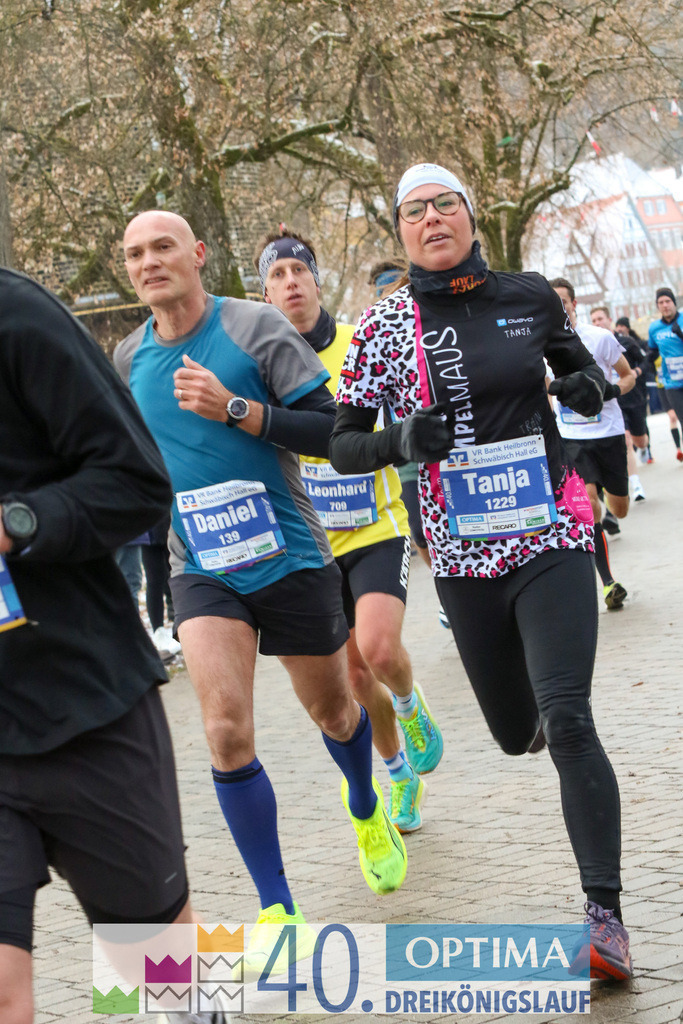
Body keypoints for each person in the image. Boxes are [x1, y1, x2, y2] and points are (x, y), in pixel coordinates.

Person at [329, 163, 631, 982]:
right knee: (514, 732)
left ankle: (604, 920)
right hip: (461, 558)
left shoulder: (528, 297)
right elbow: (342, 443)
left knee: (569, 719)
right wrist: (398, 444)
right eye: (414, 211)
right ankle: (524, 712)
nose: (432, 219)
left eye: (445, 205)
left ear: (470, 215)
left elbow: (587, 377)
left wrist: (579, 383)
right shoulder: (385, 324)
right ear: (401, 232)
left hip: (550, 529)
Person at [115, 210, 406, 977]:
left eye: (162, 248)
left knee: (335, 709)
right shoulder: (128, 358)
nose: (149, 263)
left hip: (291, 556)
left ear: (197, 254)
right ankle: (277, 906)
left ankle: (366, 807)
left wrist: (235, 409)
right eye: (135, 254)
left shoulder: (253, 329)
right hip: (201, 566)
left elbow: (328, 432)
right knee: (224, 731)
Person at [0, 268, 219, 1024]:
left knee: (165, 971)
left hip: (82, 705)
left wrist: (16, 523)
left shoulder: (15, 315)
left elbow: (135, 482)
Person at [254, 229, 443, 834]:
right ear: (266, 291)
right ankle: (398, 776)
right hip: (310, 543)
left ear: (315, 279)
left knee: (380, 650)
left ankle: (412, 706)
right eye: (277, 275)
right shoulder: (257, 366)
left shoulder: (361, 343)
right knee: (355, 677)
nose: (290, 283)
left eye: (298, 272)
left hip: (375, 525)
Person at [553, 285, 636, 609]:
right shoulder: (540, 344)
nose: (558, 309)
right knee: (587, 503)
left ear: (574, 304)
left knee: (620, 508)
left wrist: (611, 391)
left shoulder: (600, 338)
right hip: (572, 438)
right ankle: (608, 583)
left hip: (609, 433)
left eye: (562, 303)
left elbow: (628, 375)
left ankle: (608, 499)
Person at [590, 306, 646, 503]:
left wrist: (636, 373)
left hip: (632, 397)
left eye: (600, 319)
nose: (598, 323)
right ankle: (636, 485)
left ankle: (645, 448)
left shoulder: (625, 342)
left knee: (641, 441)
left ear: (609, 319)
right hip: (611, 403)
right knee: (628, 440)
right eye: (594, 320)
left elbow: (645, 361)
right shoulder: (592, 344)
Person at [647, 288, 683, 461]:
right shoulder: (654, 328)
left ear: (674, 303)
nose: (665, 305)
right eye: (661, 302)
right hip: (672, 382)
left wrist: (680, 335)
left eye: (668, 301)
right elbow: (652, 351)